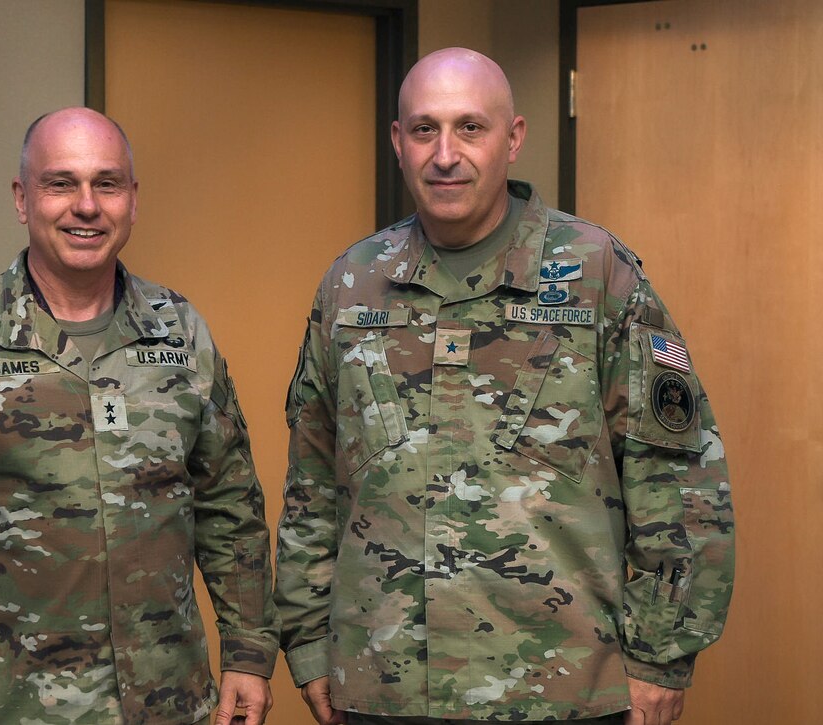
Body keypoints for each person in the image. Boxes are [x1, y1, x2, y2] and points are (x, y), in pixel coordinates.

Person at [276, 49, 733, 725]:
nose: (446, 154)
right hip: (385, 684)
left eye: (471, 128)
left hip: (560, 686)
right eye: (425, 130)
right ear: (398, 142)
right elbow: (312, 480)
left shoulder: (595, 273)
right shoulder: (353, 282)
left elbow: (678, 475)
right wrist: (309, 643)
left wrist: (664, 655)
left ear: (513, 138)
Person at [0, 107, 278, 725]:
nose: (87, 206)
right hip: (2, 708)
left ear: (132, 199)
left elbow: (230, 510)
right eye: (60, 183)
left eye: (107, 183)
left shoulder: (181, 332)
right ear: (23, 199)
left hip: (167, 703)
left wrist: (249, 653)